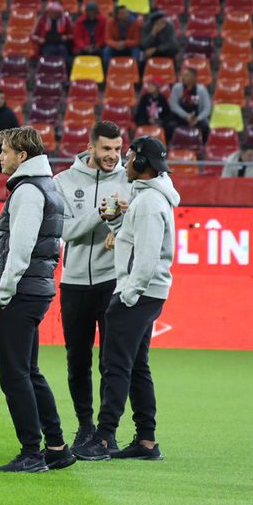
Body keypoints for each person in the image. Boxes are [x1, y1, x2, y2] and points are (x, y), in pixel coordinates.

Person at [73, 137, 179, 462]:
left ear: (142, 163)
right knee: (136, 365)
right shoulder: (150, 198)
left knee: (115, 364)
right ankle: (146, 440)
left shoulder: (148, 203)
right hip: (149, 293)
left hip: (138, 294)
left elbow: (145, 259)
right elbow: (134, 242)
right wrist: (117, 222)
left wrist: (127, 295)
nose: (125, 161)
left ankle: (103, 439)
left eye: (130, 156)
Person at [0, 127, 73, 473]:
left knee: (14, 375)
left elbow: (20, 248)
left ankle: (31, 452)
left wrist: (4, 291)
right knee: (29, 370)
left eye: (5, 151)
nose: (0, 157)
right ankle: (55, 447)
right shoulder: (47, 186)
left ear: (22, 156)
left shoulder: (27, 192)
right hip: (37, 289)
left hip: (22, 292)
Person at [53, 121, 130, 449]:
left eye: (118, 149)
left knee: (112, 361)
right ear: (91, 147)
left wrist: (121, 225)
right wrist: (102, 214)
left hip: (113, 281)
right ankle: (85, 426)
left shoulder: (131, 179)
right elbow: (65, 231)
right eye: (107, 149)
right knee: (78, 359)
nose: (114, 156)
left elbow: (140, 221)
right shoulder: (63, 182)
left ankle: (107, 433)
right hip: (73, 283)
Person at [168, 66, 211, 145]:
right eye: (183, 75)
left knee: (205, 127)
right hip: (181, 118)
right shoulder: (177, 88)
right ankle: (171, 147)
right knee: (170, 126)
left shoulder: (202, 90)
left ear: (194, 77)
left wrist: (197, 119)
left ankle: (202, 147)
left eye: (186, 75)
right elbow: (173, 105)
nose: (183, 77)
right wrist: (186, 116)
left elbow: (207, 109)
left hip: (197, 119)